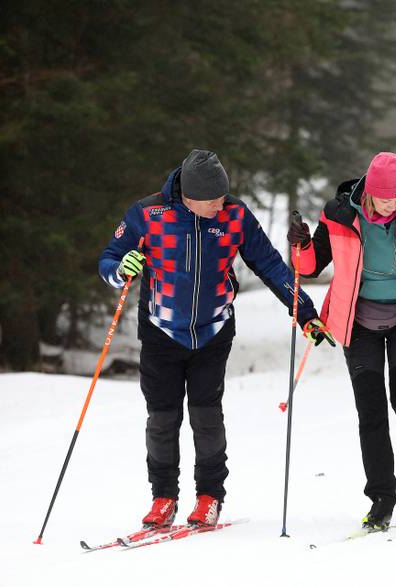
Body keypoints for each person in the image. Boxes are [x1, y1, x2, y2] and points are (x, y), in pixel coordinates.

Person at [98, 149, 334, 528]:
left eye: (222, 198)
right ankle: (163, 497)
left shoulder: (235, 216)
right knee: (161, 419)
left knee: (206, 417)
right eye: (211, 201)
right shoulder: (148, 214)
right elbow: (109, 259)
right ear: (188, 196)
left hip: (213, 331)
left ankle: (209, 496)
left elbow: (271, 264)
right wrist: (119, 270)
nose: (218, 206)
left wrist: (304, 313)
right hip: (161, 331)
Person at [287, 152, 396, 531]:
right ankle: (382, 498)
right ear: (369, 193)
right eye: (385, 199)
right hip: (357, 320)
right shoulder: (338, 214)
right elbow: (311, 266)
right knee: (371, 410)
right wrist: (299, 245)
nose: (392, 205)